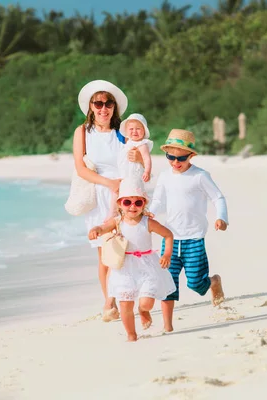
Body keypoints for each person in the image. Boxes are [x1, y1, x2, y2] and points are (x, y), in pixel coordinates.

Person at [72, 79, 143, 322]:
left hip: (124, 195)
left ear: (114, 107)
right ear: (91, 106)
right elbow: (81, 169)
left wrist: (138, 159)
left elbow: (138, 164)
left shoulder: (123, 132)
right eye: (98, 103)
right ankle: (109, 302)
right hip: (99, 193)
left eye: (108, 103)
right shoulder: (82, 132)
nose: (104, 108)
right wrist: (108, 184)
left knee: (127, 248)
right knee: (105, 252)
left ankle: (127, 296)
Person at [149, 129, 229, 333]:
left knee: (195, 283)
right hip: (170, 239)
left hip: (194, 238)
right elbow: (158, 200)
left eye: (181, 158)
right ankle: (168, 326)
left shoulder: (200, 176)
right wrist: (150, 213)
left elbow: (218, 198)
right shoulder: (165, 176)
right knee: (168, 283)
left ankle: (213, 282)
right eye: (171, 157)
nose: (175, 162)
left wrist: (222, 218)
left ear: (191, 156)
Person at [88, 179, 176, 341]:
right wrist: (96, 229)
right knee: (125, 304)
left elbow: (168, 235)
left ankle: (143, 311)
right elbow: (103, 228)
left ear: (144, 204)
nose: (132, 206)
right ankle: (131, 334)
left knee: (146, 302)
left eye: (138, 203)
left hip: (147, 265)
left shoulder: (148, 222)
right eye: (127, 202)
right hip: (124, 267)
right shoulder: (117, 222)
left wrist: (167, 254)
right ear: (120, 204)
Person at [105, 113, 153, 221]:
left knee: (134, 196)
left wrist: (147, 172)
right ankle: (114, 213)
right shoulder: (128, 143)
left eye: (138, 129)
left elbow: (146, 159)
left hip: (133, 175)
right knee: (117, 192)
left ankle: (139, 214)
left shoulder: (142, 144)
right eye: (131, 129)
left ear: (144, 131)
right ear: (126, 132)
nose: (134, 131)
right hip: (125, 175)